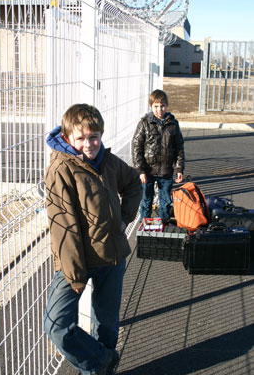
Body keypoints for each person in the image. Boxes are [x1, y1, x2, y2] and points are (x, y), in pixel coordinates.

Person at [43, 103, 142, 375]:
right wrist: (74, 275)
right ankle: (101, 361)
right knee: (57, 324)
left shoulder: (108, 162)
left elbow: (134, 182)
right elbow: (64, 225)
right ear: (67, 138)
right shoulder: (61, 169)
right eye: (81, 138)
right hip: (76, 260)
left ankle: (100, 370)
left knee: (107, 324)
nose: (89, 144)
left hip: (111, 256)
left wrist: (125, 216)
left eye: (94, 137)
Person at [132, 89, 185, 223]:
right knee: (146, 200)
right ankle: (144, 225)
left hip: (166, 170)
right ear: (151, 106)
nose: (159, 109)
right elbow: (136, 146)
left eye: (162, 106)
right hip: (148, 170)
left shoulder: (173, 124)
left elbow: (179, 147)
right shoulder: (144, 123)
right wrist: (140, 170)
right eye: (156, 106)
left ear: (167, 106)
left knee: (166, 200)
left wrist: (179, 168)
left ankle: (164, 225)